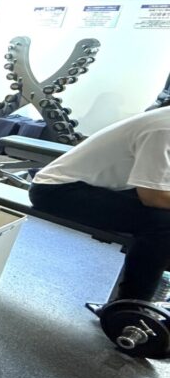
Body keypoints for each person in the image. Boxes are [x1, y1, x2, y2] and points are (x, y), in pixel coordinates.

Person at [29, 106, 170, 302]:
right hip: (56, 190)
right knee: (163, 224)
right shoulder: (163, 129)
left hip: (103, 186)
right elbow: (152, 196)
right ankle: (129, 306)